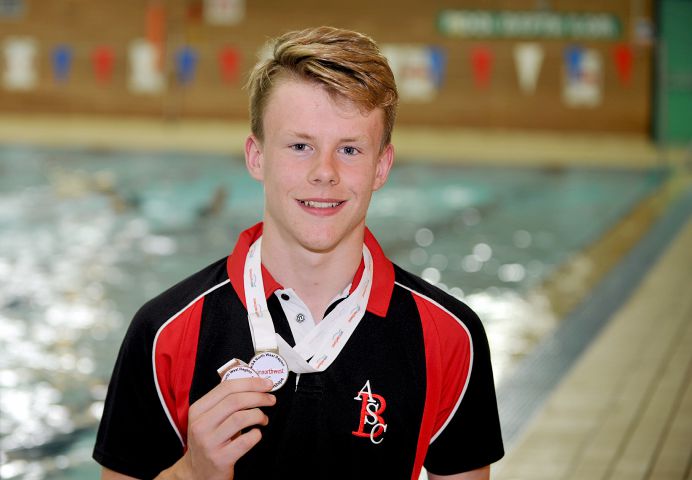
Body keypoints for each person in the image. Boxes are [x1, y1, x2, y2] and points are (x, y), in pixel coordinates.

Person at [93, 26, 504, 480]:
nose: (323, 172)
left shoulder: (448, 335)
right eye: (300, 146)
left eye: (349, 149)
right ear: (256, 156)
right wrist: (192, 472)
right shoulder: (165, 333)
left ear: (382, 166)